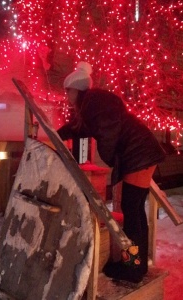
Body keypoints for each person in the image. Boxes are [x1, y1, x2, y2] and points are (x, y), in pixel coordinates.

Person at [57, 62, 166, 283]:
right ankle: (137, 265)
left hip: (138, 155)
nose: (66, 95)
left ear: (76, 89)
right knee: (135, 212)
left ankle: (133, 267)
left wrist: (109, 161)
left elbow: (107, 135)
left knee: (132, 212)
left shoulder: (95, 104)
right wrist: (58, 134)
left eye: (68, 90)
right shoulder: (95, 105)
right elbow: (83, 128)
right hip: (141, 153)